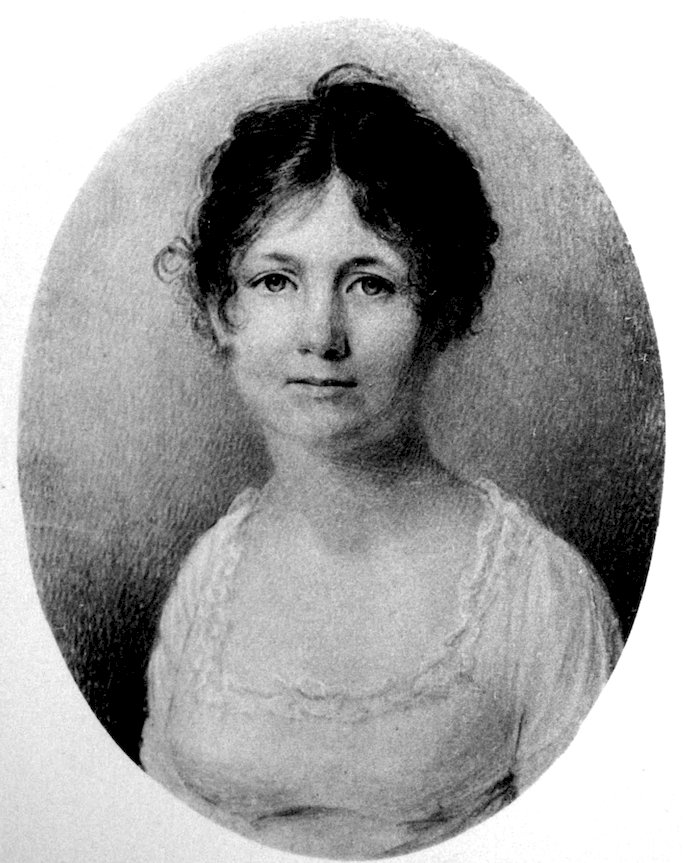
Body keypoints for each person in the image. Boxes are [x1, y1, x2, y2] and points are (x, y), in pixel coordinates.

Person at [141, 64, 623, 859]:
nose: (320, 335)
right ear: (224, 310)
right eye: (275, 280)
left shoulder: (536, 595)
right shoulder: (208, 579)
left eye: (370, 284)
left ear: (442, 309)